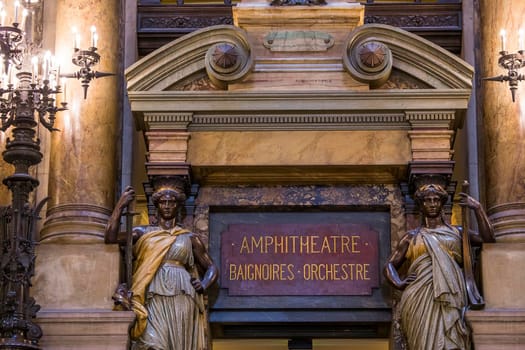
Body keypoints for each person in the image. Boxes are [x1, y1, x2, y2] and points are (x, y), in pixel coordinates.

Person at [105, 178, 218, 350]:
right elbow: (110, 238)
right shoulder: (143, 232)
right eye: (162, 202)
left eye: (171, 202)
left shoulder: (189, 237)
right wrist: (119, 207)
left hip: (183, 295)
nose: (166, 205)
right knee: (153, 344)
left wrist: (203, 284)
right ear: (157, 206)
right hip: (152, 292)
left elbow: (211, 267)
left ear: (177, 206)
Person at [384, 183, 495, 350]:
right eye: (427, 200)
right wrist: (399, 283)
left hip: (451, 294)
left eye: (436, 200)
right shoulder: (411, 237)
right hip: (419, 296)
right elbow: (389, 265)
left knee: (450, 339)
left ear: (442, 203)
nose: (432, 204)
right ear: (421, 205)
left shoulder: (457, 232)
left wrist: (477, 208)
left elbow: (488, 239)